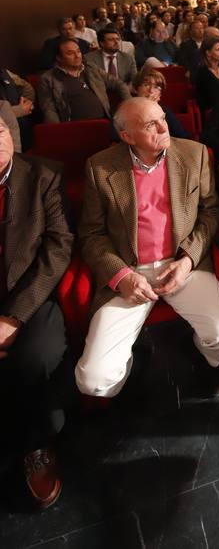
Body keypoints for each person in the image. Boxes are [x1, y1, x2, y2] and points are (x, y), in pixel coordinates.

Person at [75, 97, 219, 399]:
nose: (164, 127)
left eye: (163, 117)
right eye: (151, 124)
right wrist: (122, 276)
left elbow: (212, 211)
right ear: (126, 136)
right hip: (129, 271)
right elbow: (91, 233)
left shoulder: (195, 154)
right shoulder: (100, 167)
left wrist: (188, 259)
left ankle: (199, 355)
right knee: (93, 381)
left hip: (180, 265)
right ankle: (133, 365)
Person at [0, 119, 73, 508]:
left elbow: (58, 249)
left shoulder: (45, 173)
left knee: (35, 356)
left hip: (30, 296)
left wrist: (13, 317)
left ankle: (37, 445)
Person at [38, 38, 130, 122]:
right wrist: (59, 131)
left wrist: (128, 104)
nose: (77, 56)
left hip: (104, 122)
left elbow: (118, 84)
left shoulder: (91, 68)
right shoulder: (48, 78)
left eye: (78, 51)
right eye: (70, 53)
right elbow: (49, 110)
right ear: (59, 58)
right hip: (76, 127)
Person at [130, 69, 191, 139]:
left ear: (160, 94)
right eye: (146, 85)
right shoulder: (127, 111)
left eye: (156, 87)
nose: (151, 91)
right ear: (136, 89)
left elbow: (184, 138)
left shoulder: (166, 112)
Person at [194, 34, 219, 113]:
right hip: (213, 112)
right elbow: (210, 99)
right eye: (218, 49)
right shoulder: (203, 73)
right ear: (208, 53)